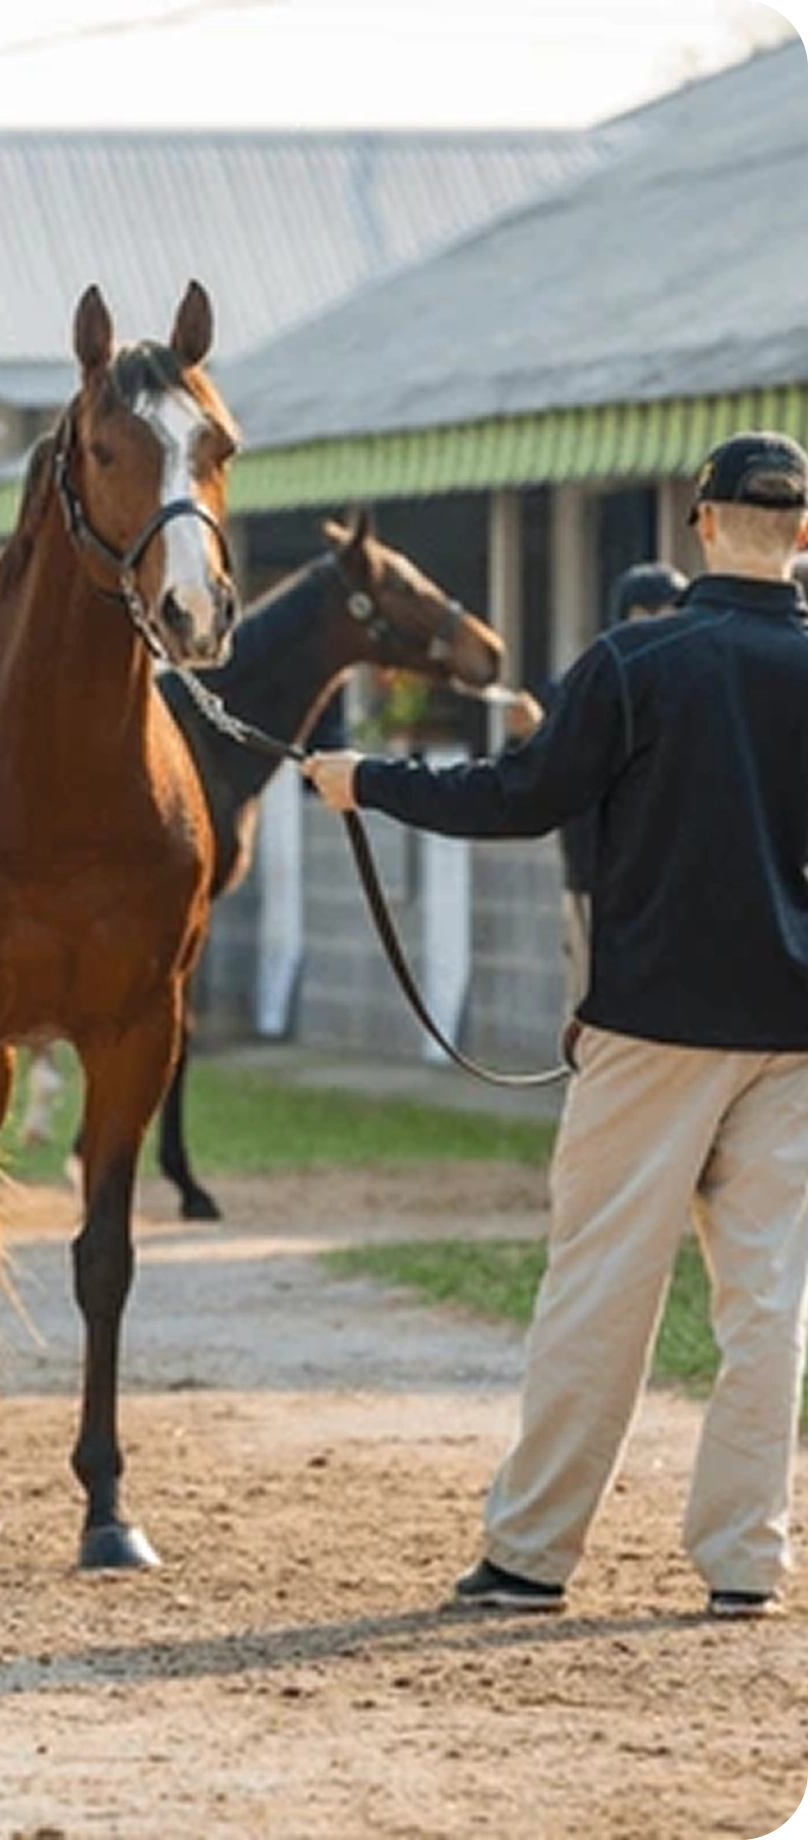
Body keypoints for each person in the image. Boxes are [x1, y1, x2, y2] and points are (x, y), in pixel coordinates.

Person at [302, 430, 808, 1620]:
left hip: (646, 1027)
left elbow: (519, 796)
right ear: (801, 533)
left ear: (694, 527)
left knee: (598, 1289)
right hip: (790, 1032)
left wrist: (367, 780)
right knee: (769, 1302)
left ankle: (532, 1555)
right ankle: (744, 1558)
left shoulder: (636, 659)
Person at [553, 561, 690, 1005]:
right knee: (595, 1023)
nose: (657, 631)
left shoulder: (700, 689)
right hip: (602, 887)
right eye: (644, 617)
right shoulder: (595, 685)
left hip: (678, 891)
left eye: (668, 616)